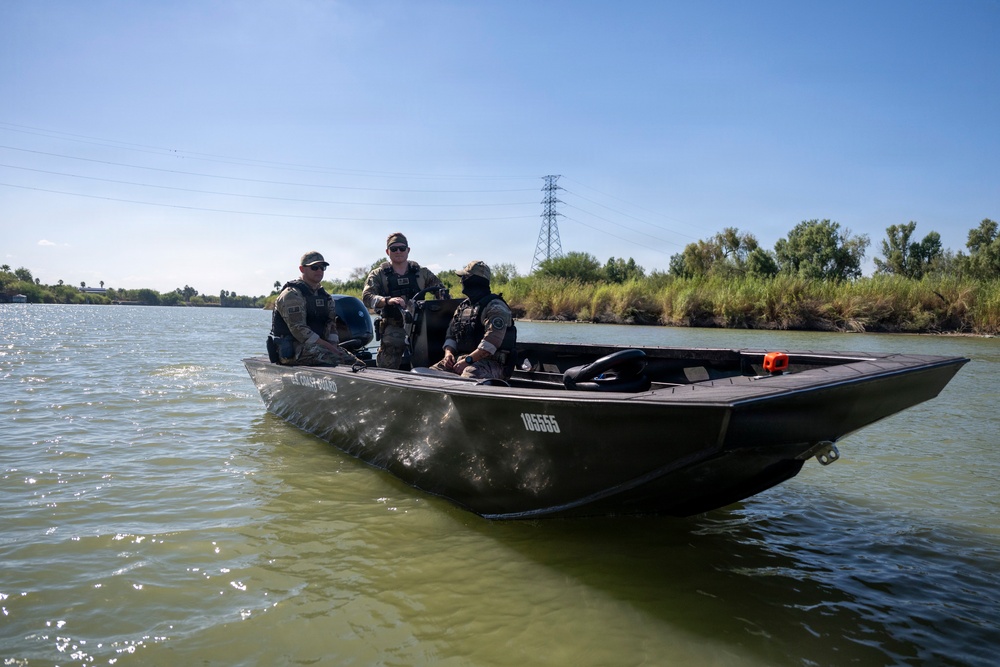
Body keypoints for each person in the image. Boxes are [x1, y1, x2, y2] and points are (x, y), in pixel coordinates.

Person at [362, 232, 446, 368]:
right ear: (387, 251)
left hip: (421, 327)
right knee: (388, 360)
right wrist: (386, 300)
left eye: (402, 248)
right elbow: (367, 297)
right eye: (394, 249)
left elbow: (441, 292)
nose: (398, 251)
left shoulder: (421, 272)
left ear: (408, 250)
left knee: (436, 354)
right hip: (394, 326)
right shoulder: (378, 274)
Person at [269, 251, 363, 367]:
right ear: (302, 269)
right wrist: (328, 347)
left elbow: (331, 325)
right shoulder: (291, 295)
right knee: (335, 359)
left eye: (322, 267)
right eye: (314, 267)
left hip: (319, 347)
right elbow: (299, 330)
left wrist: (333, 345)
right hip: (292, 350)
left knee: (357, 364)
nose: (319, 270)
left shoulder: (325, 296)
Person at [430, 260, 516, 380]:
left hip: (495, 364)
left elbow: (491, 342)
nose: (461, 281)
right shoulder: (463, 307)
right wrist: (448, 354)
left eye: (465, 277)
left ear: (475, 280)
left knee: (470, 375)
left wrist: (468, 360)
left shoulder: (496, 307)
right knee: (428, 374)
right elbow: (451, 335)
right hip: (464, 359)